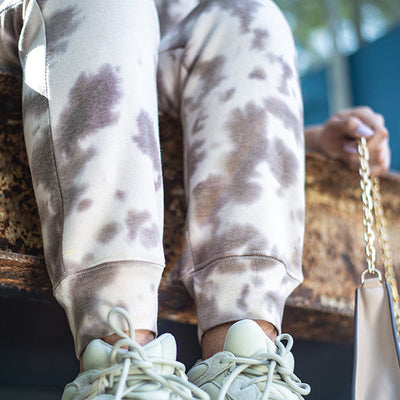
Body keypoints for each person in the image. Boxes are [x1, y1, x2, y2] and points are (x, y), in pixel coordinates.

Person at [0, 0, 390, 399]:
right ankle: (123, 370)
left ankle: (245, 372)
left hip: (155, 43)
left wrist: (302, 140)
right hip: (49, 23)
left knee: (250, 16)